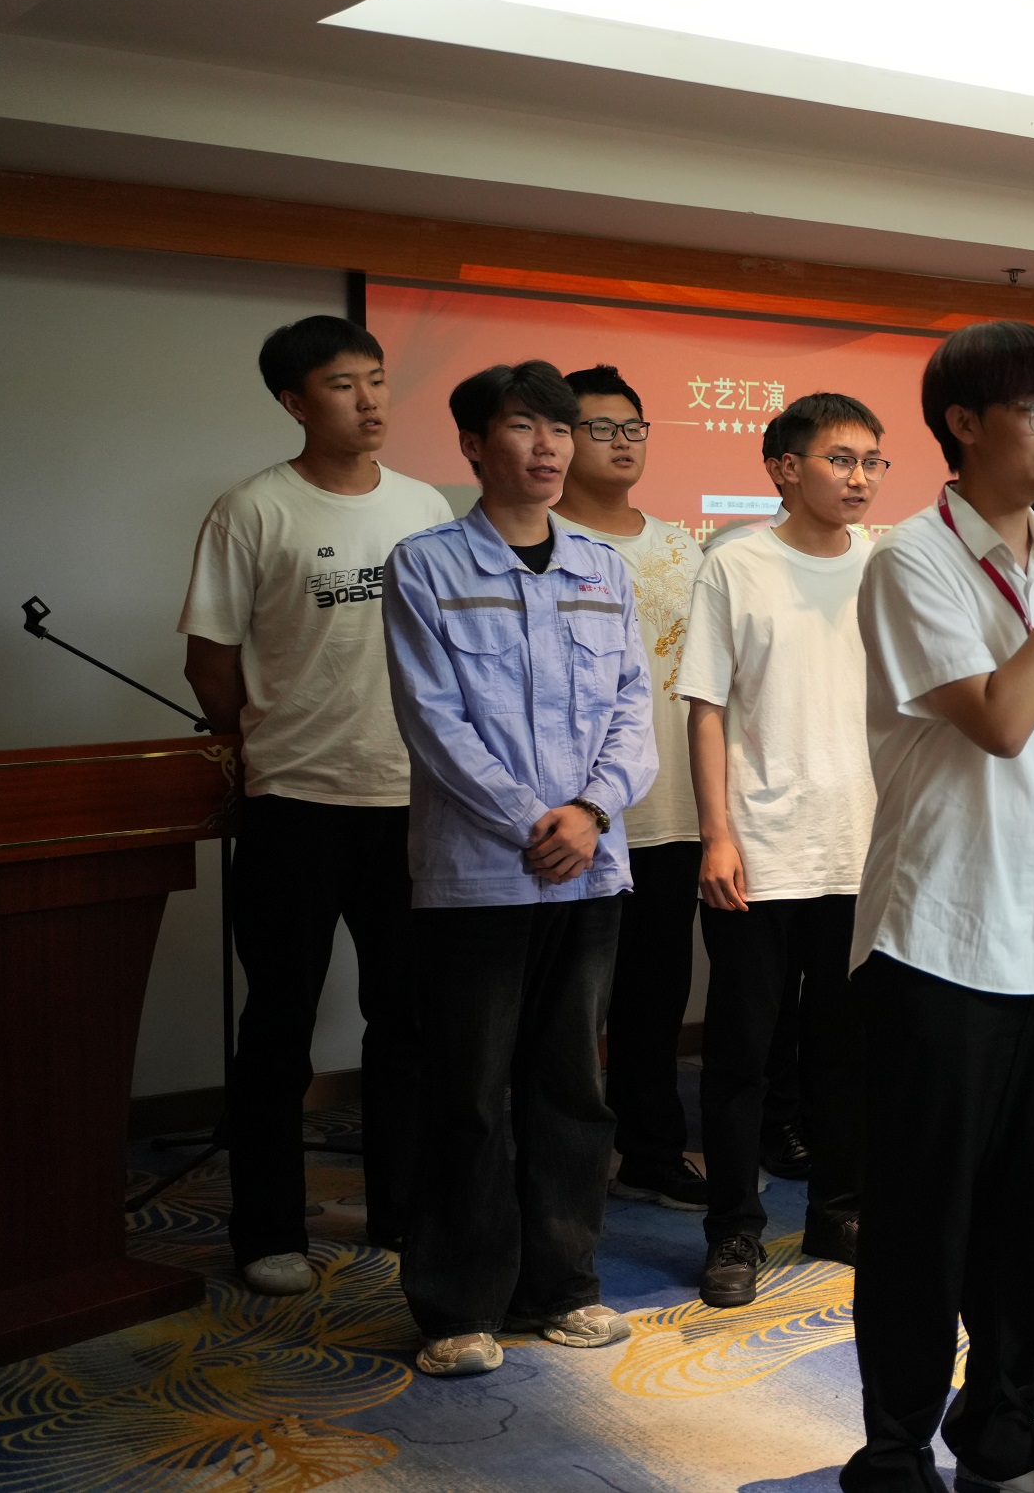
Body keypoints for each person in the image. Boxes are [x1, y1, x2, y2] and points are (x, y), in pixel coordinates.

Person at [844, 321, 1034, 1493]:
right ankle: (893, 1455)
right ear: (963, 425)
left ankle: (1010, 1441)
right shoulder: (910, 560)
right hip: (944, 941)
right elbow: (1003, 719)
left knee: (1032, 1220)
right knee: (924, 1222)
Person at [384, 360, 657, 1375]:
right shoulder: (425, 565)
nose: (549, 446)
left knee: (571, 1089)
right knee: (468, 1093)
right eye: (523, 426)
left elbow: (635, 708)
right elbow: (432, 719)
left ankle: (564, 1285)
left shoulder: (601, 567)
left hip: (589, 870)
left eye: (561, 428)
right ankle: (458, 1305)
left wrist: (590, 812)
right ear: (472, 444)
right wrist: (531, 819)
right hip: (478, 875)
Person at [178, 315, 453, 1296]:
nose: (370, 399)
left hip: (411, 802)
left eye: (377, 378)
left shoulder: (425, 506)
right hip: (294, 804)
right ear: (295, 402)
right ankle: (266, 1230)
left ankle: (402, 1206)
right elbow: (209, 659)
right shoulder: (252, 511)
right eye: (344, 384)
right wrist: (260, 744)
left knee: (407, 1021)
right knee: (279, 1026)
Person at [675, 392, 886, 1308]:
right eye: (841, 459)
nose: (860, 477)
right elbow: (706, 709)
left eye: (872, 461)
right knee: (741, 1059)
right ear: (784, 469)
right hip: (758, 853)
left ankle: (841, 1211)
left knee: (848, 1052)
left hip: (862, 849)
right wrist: (717, 834)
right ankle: (734, 1229)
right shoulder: (737, 564)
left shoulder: (886, 564)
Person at [548, 364, 710, 1213]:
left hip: (674, 807)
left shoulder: (684, 544)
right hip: (580, 816)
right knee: (568, 1005)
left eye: (633, 428)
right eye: (600, 428)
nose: (622, 443)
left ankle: (650, 1149)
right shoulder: (540, 540)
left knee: (656, 995)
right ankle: (561, 1166)